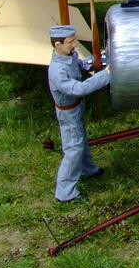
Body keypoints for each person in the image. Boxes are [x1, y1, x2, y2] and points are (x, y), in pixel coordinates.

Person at [47, 25, 110, 203]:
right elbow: (78, 88)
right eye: (70, 42)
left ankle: (87, 169)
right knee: (73, 148)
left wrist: (100, 57)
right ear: (58, 44)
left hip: (76, 108)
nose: (74, 46)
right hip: (68, 112)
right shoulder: (57, 71)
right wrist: (105, 76)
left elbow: (81, 64)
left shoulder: (68, 56)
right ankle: (65, 192)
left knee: (80, 140)